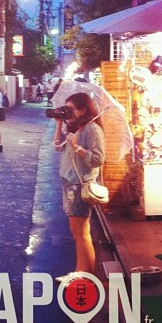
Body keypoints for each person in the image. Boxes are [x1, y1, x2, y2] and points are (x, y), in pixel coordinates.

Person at [52, 92, 105, 283]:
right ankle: (80, 272)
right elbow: (57, 147)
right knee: (77, 233)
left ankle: (85, 277)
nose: (67, 113)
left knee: (82, 233)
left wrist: (77, 148)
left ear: (83, 110)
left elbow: (98, 159)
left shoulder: (92, 130)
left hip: (79, 183)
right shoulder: (75, 128)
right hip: (69, 181)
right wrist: (59, 124)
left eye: (70, 109)